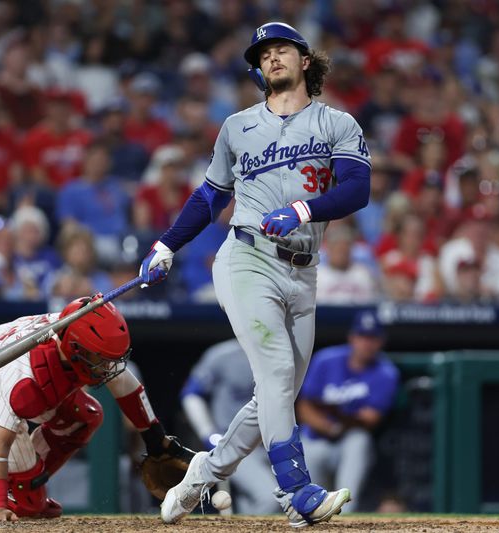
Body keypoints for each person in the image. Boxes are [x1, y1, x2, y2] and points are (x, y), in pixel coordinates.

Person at [139, 22, 370, 527]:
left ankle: (202, 473)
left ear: (305, 60)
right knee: (276, 373)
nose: (273, 57)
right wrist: (166, 245)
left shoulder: (337, 123)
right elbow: (209, 197)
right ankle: (297, 492)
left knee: (277, 392)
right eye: (264, 53)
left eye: (282, 49)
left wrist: (306, 211)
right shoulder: (237, 126)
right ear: (257, 68)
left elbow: (358, 188)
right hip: (248, 257)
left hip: (304, 270)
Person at [0, 297, 191, 521]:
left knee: (85, 418)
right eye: (101, 360)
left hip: (18, 368)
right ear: (75, 349)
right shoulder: (21, 374)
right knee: (20, 503)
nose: (108, 367)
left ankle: (29, 488)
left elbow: (128, 388)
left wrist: (156, 441)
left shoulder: (77, 331)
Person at [296, 311, 400, 512]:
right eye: (362, 336)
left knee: (359, 441)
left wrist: (332, 411)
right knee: (309, 457)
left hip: (349, 440)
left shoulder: (386, 372)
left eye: (373, 338)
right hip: (316, 438)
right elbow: (304, 408)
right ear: (352, 337)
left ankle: (345, 513)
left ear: (381, 342)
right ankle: (310, 511)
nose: (366, 343)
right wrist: (333, 423)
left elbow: (370, 419)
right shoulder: (325, 360)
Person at [180, 339, 278, 514]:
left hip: (269, 443)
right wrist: (208, 433)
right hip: (236, 443)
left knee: (255, 504)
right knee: (268, 498)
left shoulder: (279, 354)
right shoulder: (222, 355)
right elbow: (191, 395)